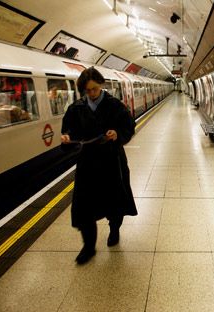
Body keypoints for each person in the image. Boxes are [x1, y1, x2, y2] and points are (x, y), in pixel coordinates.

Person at [61, 67, 137, 265]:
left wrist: (117, 135)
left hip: (112, 161)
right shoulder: (76, 108)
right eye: (87, 91)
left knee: (115, 201)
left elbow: (128, 127)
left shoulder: (115, 106)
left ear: (101, 85)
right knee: (84, 207)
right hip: (87, 163)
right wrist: (67, 137)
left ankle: (114, 229)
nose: (92, 94)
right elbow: (69, 129)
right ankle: (88, 246)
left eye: (94, 89)